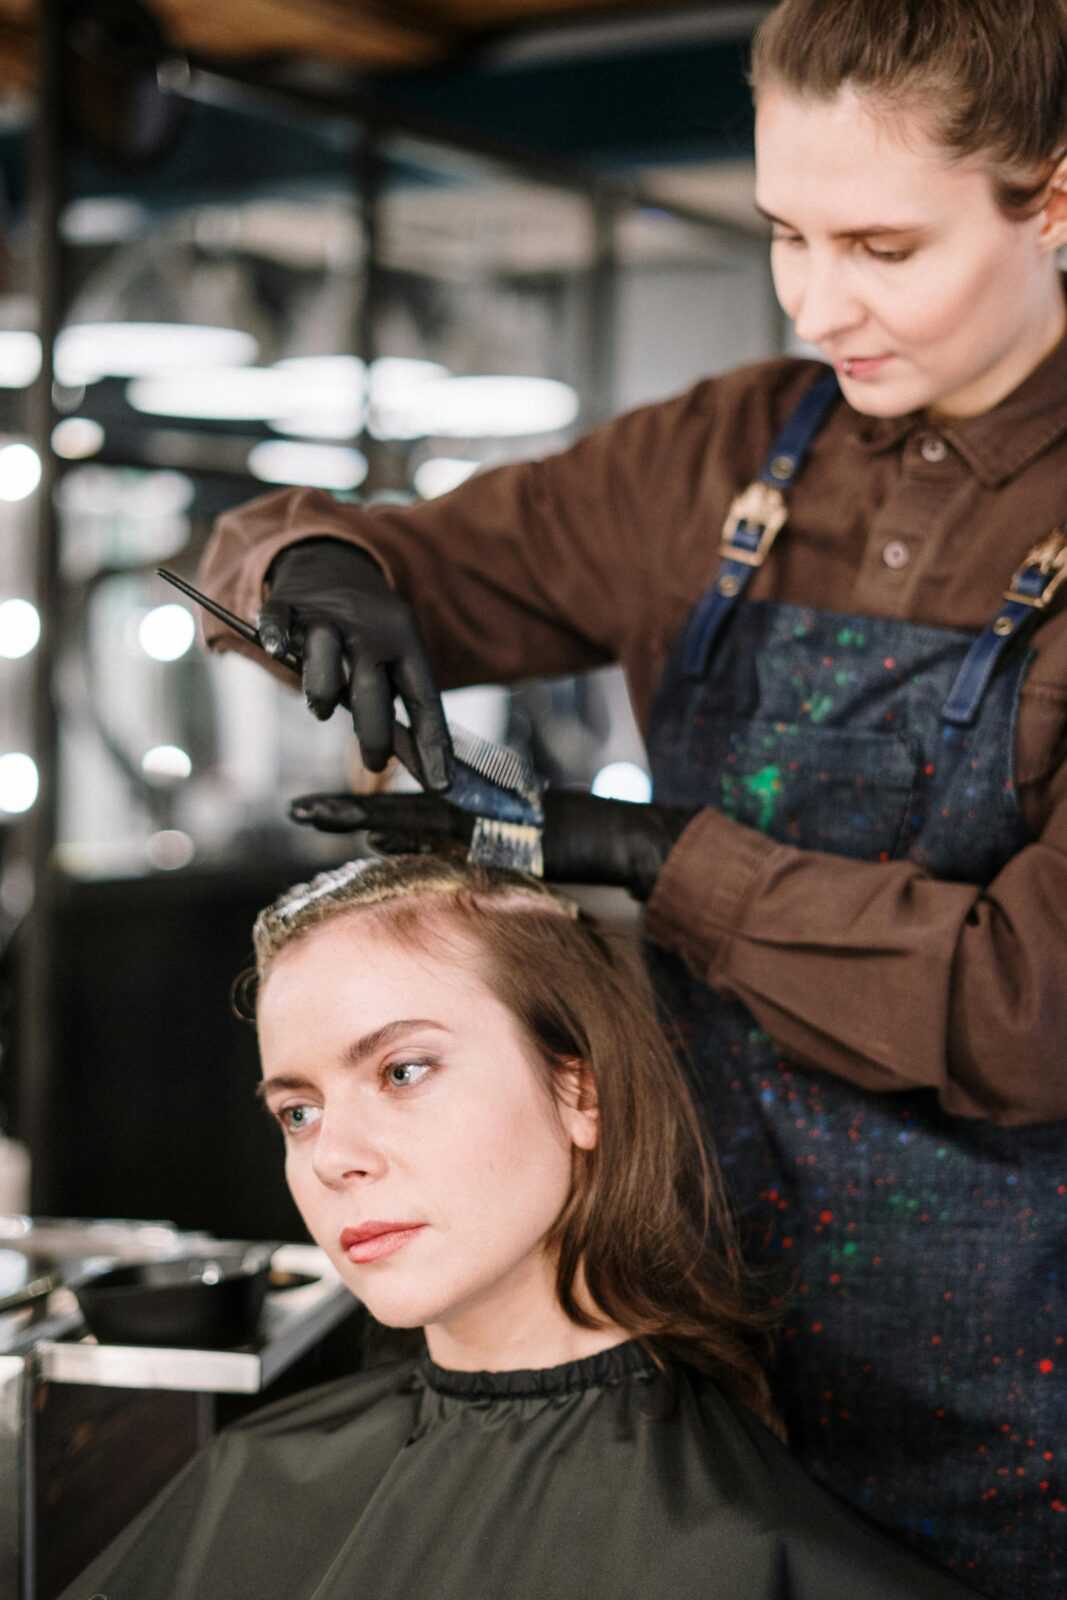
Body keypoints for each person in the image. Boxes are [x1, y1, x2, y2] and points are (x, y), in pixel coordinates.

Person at [196, 3, 1067, 1593]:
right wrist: (311, 562)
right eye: (782, 236)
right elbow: (357, 555)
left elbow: (1027, 1004)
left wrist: (648, 859)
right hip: (693, 1345)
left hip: (1020, 1396)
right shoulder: (722, 456)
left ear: (1051, 199)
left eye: (879, 246)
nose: (816, 306)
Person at [62, 855, 975, 1600]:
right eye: (296, 1112)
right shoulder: (254, 1481)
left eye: (402, 1072)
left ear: (580, 1092)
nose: (333, 1155)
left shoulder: (747, 1554)